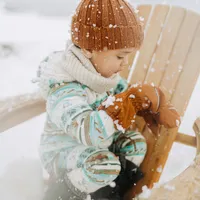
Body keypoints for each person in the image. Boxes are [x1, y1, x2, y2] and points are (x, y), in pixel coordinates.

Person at [36, 0, 180, 199]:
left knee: (135, 144)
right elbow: (88, 132)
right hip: (63, 155)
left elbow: (126, 92)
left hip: (97, 149)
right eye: (120, 57)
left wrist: (150, 100)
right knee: (106, 165)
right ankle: (61, 194)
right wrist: (125, 104)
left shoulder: (103, 77)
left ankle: (110, 193)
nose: (124, 64)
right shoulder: (65, 89)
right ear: (88, 49)